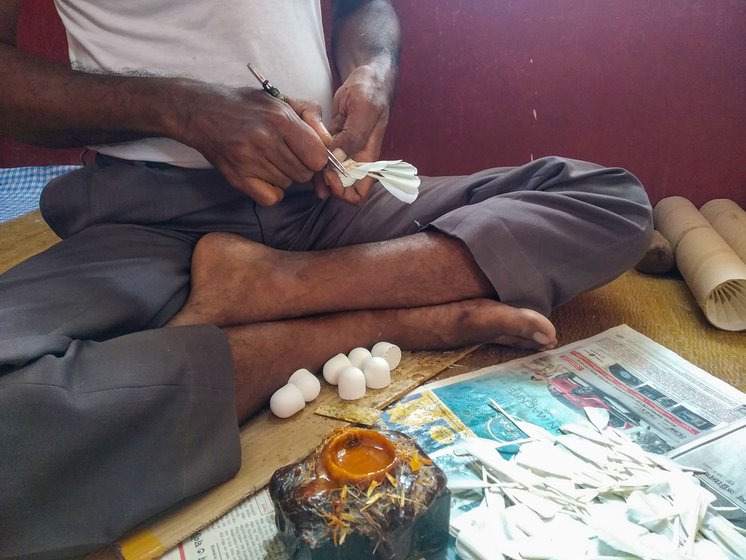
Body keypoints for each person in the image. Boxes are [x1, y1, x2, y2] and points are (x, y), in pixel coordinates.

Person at [0, 1, 653, 558]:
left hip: (323, 198)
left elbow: (362, 7)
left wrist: (373, 71)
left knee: (608, 201)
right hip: (151, 217)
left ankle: (282, 286)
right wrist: (183, 110)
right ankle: (377, 317)